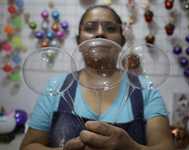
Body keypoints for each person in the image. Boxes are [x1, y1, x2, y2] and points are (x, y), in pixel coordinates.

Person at [20, 5, 176, 150]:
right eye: (90, 27)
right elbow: (28, 146)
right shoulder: (55, 86)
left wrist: (133, 148)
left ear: (122, 42)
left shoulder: (145, 89)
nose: (100, 33)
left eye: (110, 28)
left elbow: (166, 146)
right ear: (78, 42)